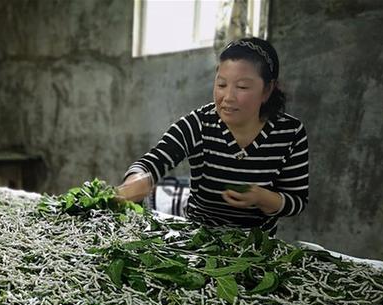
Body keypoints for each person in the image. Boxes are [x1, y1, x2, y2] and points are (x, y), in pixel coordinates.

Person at [118, 37, 308, 236]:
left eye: (242, 87)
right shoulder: (199, 124)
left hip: (257, 246)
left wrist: (262, 198)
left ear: (267, 90)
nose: (228, 97)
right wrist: (138, 179)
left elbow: (297, 200)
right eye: (221, 84)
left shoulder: (290, 133)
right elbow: (154, 161)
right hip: (199, 242)